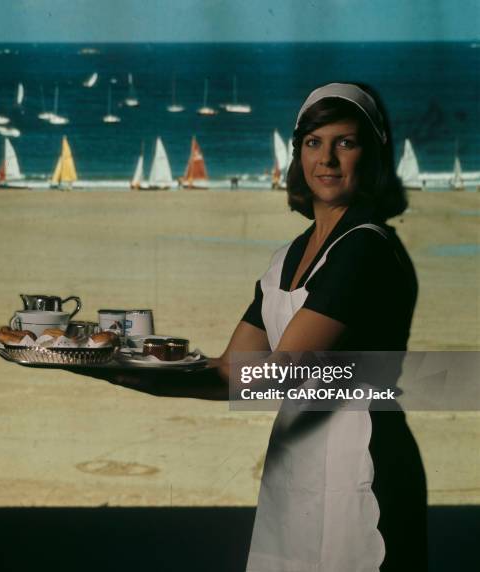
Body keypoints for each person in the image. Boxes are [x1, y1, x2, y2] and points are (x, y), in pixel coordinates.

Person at [99, 82, 427, 571]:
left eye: (346, 142)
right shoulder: (285, 259)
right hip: (297, 465)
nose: (328, 160)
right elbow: (232, 373)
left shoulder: (366, 249)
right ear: (298, 156)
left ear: (374, 154)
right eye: (314, 143)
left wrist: (134, 370)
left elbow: (280, 373)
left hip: (361, 461)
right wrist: (115, 368)